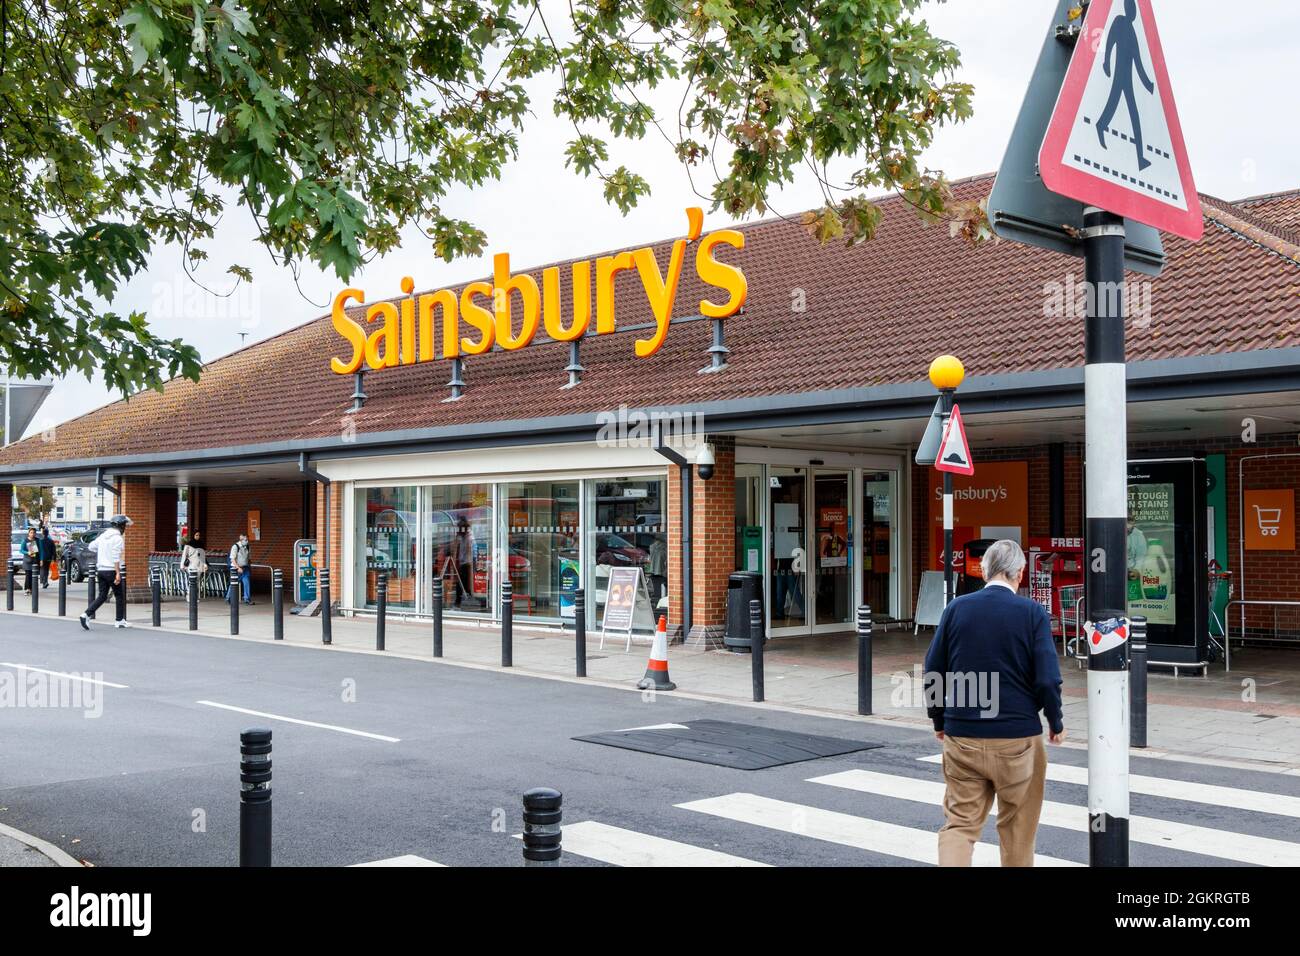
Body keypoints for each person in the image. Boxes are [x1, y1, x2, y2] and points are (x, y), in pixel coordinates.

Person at [923, 539, 1064, 867]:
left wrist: (939, 720)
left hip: (963, 734)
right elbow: (1046, 678)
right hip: (1018, 737)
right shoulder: (1032, 613)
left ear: (984, 571)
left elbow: (933, 669)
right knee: (1018, 828)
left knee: (960, 825)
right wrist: (1055, 722)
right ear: (1019, 572)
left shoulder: (956, 609)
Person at [80, 514, 132, 630]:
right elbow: (115, 557)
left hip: (101, 570)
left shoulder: (103, 536)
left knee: (102, 596)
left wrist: (103, 553)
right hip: (111, 570)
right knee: (119, 595)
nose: (125, 528)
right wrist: (118, 573)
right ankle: (119, 621)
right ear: (120, 526)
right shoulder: (118, 539)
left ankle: (86, 614)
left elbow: (92, 547)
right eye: (124, 526)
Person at [228, 533, 253, 605]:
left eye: (247, 539)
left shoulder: (247, 547)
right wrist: (238, 568)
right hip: (236, 568)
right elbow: (232, 559)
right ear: (241, 540)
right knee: (234, 583)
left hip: (245, 568)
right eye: (245, 540)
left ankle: (247, 599)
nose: (247, 541)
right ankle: (228, 597)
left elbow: (248, 558)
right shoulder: (235, 547)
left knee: (246, 582)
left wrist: (249, 566)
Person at [21, 527, 39, 593]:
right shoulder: (25, 540)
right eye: (31, 532)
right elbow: (21, 550)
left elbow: (41, 550)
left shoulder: (37, 540)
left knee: (33, 575)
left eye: (34, 533)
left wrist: (41, 559)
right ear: (28, 533)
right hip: (27, 560)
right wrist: (27, 552)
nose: (32, 534)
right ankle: (27, 589)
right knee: (28, 575)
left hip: (35, 560)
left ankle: (31, 589)